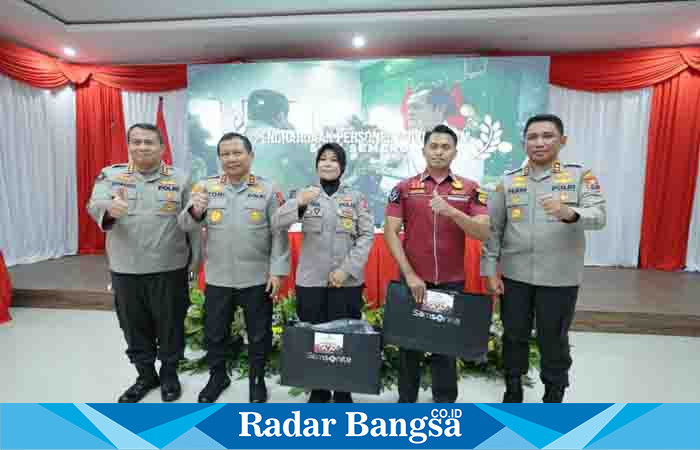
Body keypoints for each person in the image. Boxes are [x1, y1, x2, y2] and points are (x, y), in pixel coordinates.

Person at [481, 114, 606, 403]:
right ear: (523, 141)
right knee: (513, 336)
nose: (539, 142)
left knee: (554, 339)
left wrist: (571, 213)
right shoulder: (508, 181)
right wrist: (490, 269)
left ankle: (554, 394)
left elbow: (599, 216)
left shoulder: (579, 176)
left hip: (560, 277)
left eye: (547, 136)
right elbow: (494, 229)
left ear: (562, 140)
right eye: (532, 137)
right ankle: (513, 390)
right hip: (515, 276)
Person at [87, 123, 198, 403]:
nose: (142, 147)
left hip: (169, 267)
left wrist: (195, 262)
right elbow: (94, 204)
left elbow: (193, 225)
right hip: (127, 268)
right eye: (136, 142)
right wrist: (109, 209)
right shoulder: (111, 176)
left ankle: (169, 374)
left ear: (162, 148)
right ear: (129, 146)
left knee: (171, 325)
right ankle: (145, 375)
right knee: (133, 326)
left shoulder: (181, 178)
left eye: (149, 142)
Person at [178, 132, 289, 403]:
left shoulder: (267, 189)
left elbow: (279, 234)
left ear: (251, 156)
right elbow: (184, 225)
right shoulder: (205, 188)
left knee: (259, 333)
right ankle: (218, 376)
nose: (231, 158)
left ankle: (257, 378)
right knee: (215, 332)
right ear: (219, 158)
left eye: (237, 152)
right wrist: (195, 211)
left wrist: (277, 271)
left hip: (257, 277)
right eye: (225, 154)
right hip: (219, 276)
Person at [383, 124, 490, 403]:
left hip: (451, 281)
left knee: (445, 345)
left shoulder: (470, 189)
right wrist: (409, 275)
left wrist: (452, 211)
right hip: (413, 279)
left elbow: (481, 231)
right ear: (424, 150)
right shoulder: (404, 188)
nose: (439, 151)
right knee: (410, 346)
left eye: (446, 147)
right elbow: (391, 232)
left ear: (455, 152)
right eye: (434, 146)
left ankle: (445, 402)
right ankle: (407, 400)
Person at [272, 142, 374, 403]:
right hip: (311, 279)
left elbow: (366, 236)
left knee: (345, 337)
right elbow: (278, 222)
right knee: (314, 336)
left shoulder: (356, 198)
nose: (328, 164)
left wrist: (345, 270)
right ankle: (318, 388)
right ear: (316, 164)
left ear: (342, 167)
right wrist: (299, 202)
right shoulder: (304, 193)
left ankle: (342, 389)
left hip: (346, 282)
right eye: (323, 159)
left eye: (334, 160)